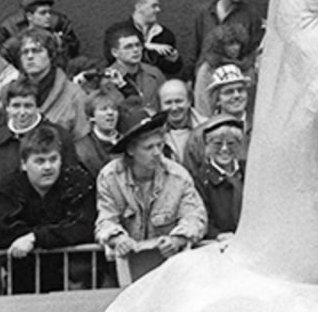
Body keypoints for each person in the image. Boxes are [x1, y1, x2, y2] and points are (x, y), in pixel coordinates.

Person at [0, 123, 98, 294]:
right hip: (24, 284)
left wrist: (34, 238)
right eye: (39, 161)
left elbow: (83, 226)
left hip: (76, 283)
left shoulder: (78, 181)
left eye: (53, 159)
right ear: (24, 164)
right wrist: (57, 234)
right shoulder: (8, 186)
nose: (48, 167)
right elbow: (0, 232)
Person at [94, 106, 206, 266]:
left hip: (169, 266)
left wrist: (177, 238)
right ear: (131, 150)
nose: (157, 153)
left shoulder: (178, 176)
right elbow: (105, 219)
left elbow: (195, 216)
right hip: (126, 265)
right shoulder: (110, 177)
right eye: (148, 147)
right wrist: (118, 238)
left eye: (159, 145)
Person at [0, 79, 66, 204]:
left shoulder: (59, 136)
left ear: (38, 107)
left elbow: (69, 181)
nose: (22, 112)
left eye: (28, 106)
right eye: (16, 106)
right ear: (7, 108)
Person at [0, 27, 89, 139]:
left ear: (51, 55)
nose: (30, 56)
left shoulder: (74, 95)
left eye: (37, 51)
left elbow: (83, 142)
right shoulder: (8, 92)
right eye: (25, 52)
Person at [193, 0, 262, 86]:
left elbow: (255, 47)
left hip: (237, 75)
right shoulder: (205, 13)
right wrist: (190, 77)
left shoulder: (250, 15)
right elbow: (196, 46)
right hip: (208, 73)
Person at [190, 114, 247, 241]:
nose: (225, 149)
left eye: (231, 143)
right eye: (218, 143)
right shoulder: (199, 179)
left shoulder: (249, 170)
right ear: (207, 146)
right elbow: (200, 217)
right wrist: (217, 235)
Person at [104, 0, 179, 81]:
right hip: (122, 81)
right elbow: (110, 58)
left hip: (154, 83)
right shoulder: (117, 30)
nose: (158, 10)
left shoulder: (165, 34)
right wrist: (147, 46)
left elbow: (172, 70)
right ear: (139, 7)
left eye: (158, 6)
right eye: (154, 6)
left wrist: (174, 60)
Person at [193, 24, 255, 119]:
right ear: (219, 46)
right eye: (230, 44)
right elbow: (202, 102)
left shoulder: (246, 67)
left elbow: (252, 101)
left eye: (238, 43)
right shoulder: (208, 69)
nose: (236, 48)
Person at [102, 27, 166, 112]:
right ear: (115, 52)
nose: (136, 50)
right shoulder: (107, 80)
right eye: (128, 47)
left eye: (138, 45)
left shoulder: (154, 73)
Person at [75, 87, 126, 174]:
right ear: (92, 116)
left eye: (114, 109)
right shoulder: (82, 149)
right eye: (104, 109)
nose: (110, 113)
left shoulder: (128, 141)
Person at [157, 79, 199, 166]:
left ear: (189, 101)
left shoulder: (208, 129)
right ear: (160, 106)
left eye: (179, 101)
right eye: (168, 103)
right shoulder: (154, 134)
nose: (174, 108)